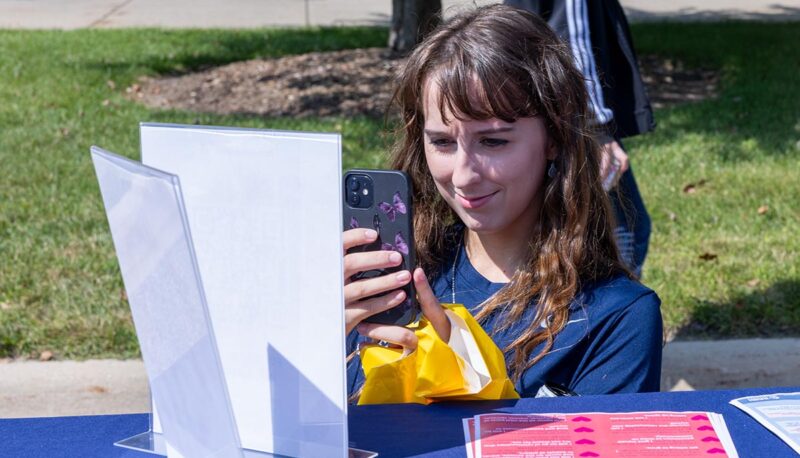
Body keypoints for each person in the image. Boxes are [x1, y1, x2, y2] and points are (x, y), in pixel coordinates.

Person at [343, 4, 662, 399]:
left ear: (555, 139)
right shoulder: (394, 281)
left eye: (493, 141)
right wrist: (317, 348)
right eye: (442, 142)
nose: (463, 175)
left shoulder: (617, 317)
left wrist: (458, 378)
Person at [506, 0, 655, 277]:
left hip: (547, 113)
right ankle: (613, 315)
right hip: (577, 124)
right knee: (625, 232)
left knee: (551, 229)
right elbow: (573, 39)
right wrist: (597, 130)